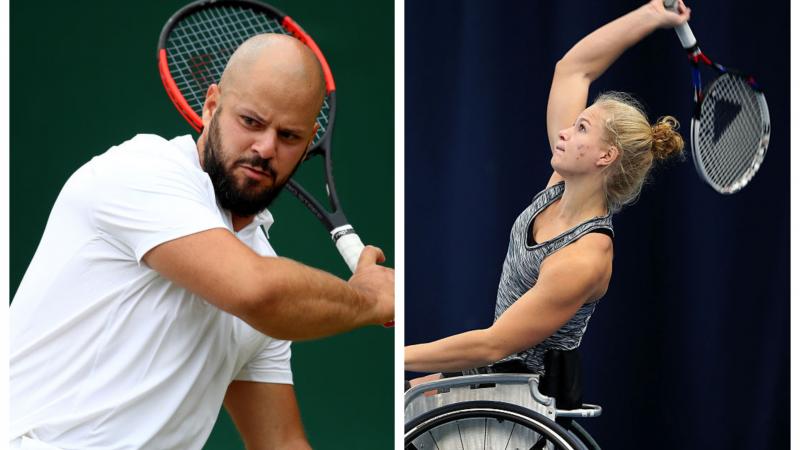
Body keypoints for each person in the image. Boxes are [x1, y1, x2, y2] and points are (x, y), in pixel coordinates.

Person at [10, 34, 393, 450]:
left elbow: (280, 441)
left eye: (287, 136)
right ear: (211, 106)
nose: (265, 148)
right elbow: (256, 290)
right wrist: (368, 299)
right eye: (251, 122)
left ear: (307, 143)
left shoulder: (268, 276)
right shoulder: (140, 170)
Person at [405, 1, 688, 380]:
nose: (566, 132)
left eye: (582, 128)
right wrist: (652, 14)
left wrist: (399, 356)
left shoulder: (586, 256)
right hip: (486, 380)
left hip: (517, 403)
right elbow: (573, 70)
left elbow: (494, 344)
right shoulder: (559, 187)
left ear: (606, 156)